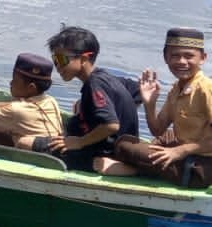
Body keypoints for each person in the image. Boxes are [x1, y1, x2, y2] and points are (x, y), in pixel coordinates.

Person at [108, 28, 212, 189]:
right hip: (194, 155)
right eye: (175, 56)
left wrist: (180, 151)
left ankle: (135, 169)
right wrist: (149, 104)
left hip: (205, 169)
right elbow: (158, 130)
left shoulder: (208, 89)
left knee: (123, 144)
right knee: (165, 137)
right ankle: (152, 165)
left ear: (202, 58)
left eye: (189, 56)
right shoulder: (177, 89)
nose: (182, 62)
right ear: (166, 58)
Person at [44, 26, 141, 173]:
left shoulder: (94, 83)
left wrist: (80, 142)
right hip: (111, 148)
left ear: (84, 58)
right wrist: (85, 105)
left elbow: (111, 125)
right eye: (55, 60)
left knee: (25, 143)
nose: (58, 67)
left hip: (101, 154)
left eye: (62, 60)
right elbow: (137, 91)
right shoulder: (105, 77)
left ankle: (124, 169)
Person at [0, 52, 64, 151]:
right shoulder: (50, 101)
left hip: (32, 154)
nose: (11, 83)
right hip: (46, 148)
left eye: (15, 80)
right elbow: (22, 105)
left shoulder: (16, 111)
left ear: (31, 88)